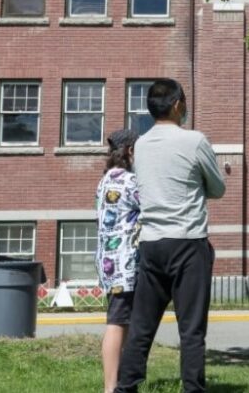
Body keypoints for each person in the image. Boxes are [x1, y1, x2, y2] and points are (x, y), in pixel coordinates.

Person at [115, 79, 226, 393]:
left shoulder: (140, 146)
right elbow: (218, 188)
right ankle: (192, 388)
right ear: (178, 105)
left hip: (150, 243)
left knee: (141, 327)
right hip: (188, 242)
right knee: (191, 329)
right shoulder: (194, 141)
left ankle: (126, 387)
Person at [96, 127, 141, 393]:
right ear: (130, 151)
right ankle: (111, 387)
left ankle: (118, 382)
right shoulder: (130, 182)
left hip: (108, 263)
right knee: (117, 323)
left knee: (120, 321)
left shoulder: (104, 181)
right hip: (125, 264)